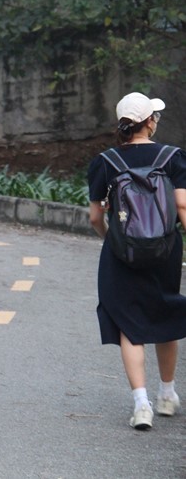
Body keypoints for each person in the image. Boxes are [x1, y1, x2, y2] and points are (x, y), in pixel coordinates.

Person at [87, 92, 186, 430]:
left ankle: (141, 403)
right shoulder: (173, 157)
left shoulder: (105, 161)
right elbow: (183, 207)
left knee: (130, 323)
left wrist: (110, 239)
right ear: (150, 122)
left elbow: (95, 217)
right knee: (164, 309)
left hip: (122, 251)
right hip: (165, 249)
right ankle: (167, 395)